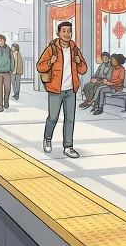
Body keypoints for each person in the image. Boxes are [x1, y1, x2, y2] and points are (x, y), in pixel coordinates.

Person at [35, 22, 88, 158]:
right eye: (63, 31)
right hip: (55, 89)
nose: (67, 34)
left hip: (71, 90)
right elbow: (40, 67)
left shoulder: (74, 49)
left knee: (70, 119)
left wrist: (78, 61)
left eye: (69, 31)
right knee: (53, 117)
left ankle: (68, 146)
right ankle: (47, 138)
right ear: (58, 33)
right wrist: (50, 62)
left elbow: (83, 70)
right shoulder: (51, 49)